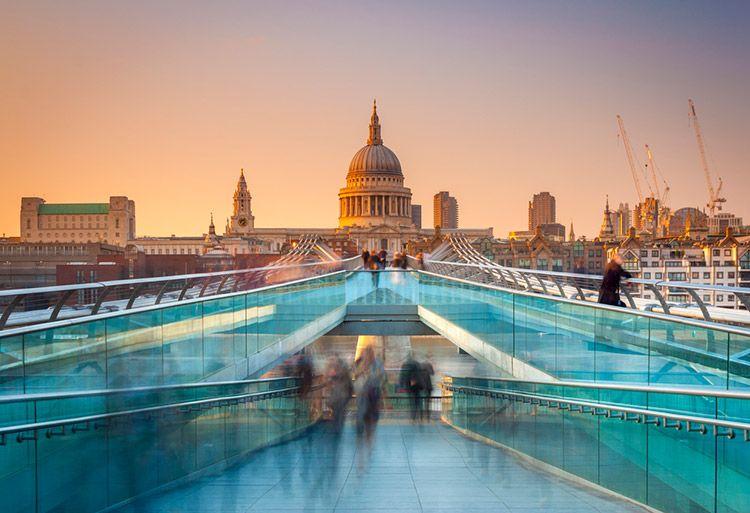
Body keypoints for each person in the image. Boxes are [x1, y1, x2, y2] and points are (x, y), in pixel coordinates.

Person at [399, 354, 422, 422]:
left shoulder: (404, 364)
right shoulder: (417, 364)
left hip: (408, 385)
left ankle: (413, 417)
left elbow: (402, 375)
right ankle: (419, 415)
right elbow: (420, 374)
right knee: (417, 400)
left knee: (411, 401)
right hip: (416, 384)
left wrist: (401, 383)